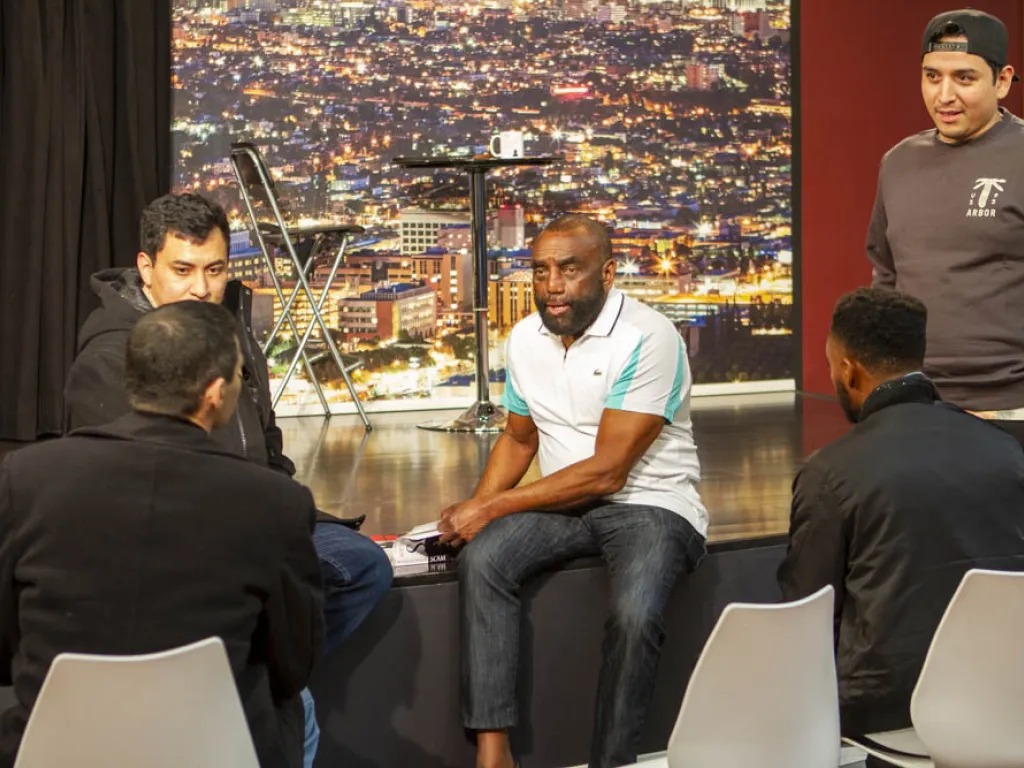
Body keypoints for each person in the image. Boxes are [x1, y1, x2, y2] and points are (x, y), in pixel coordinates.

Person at [64, 192, 391, 654]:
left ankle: (254, 668)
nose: (201, 288)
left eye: (214, 270)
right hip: (176, 543)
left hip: (252, 519)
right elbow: (128, 497)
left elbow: (268, 444)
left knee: (363, 563)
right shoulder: (109, 357)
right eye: (183, 270)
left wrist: (280, 508)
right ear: (146, 268)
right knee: (257, 590)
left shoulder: (231, 327)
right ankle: (251, 673)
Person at [0, 302, 324, 768]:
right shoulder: (275, 503)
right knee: (293, 708)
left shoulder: (25, 478)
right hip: (215, 751)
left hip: (55, 750)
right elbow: (292, 664)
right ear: (215, 393)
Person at [439, 215, 707, 768]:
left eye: (568, 269)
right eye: (541, 271)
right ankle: (493, 752)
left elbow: (609, 472)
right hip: (564, 506)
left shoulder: (648, 336)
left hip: (650, 502)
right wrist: (474, 512)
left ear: (606, 273)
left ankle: (613, 761)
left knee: (635, 613)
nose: (552, 285)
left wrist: (492, 507)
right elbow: (519, 438)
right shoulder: (524, 339)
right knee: (483, 559)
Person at [778, 287, 1024, 743]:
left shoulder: (829, 472)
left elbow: (806, 611)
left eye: (831, 366)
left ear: (849, 370)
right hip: (1005, 696)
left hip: (888, 711)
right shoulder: (1007, 452)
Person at [866, 8, 1024, 444]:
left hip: (1012, 409)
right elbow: (886, 277)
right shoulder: (898, 162)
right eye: (932, 77)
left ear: (1002, 81)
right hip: (917, 407)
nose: (944, 95)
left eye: (964, 78)